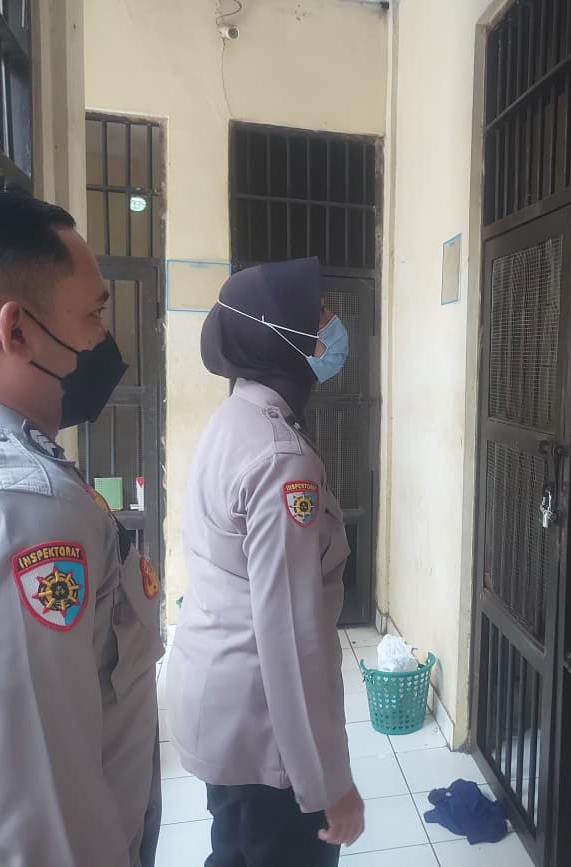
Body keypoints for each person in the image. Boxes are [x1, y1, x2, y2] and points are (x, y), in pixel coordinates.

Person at [0, 190, 163, 865]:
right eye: (93, 315)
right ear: (16, 331)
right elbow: (51, 827)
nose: (103, 340)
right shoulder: (13, 511)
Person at [166, 257, 364, 867]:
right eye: (317, 314)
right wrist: (326, 783)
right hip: (261, 724)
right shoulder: (281, 457)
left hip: (224, 704)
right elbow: (292, 637)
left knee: (234, 852)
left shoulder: (236, 417)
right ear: (279, 334)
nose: (331, 325)